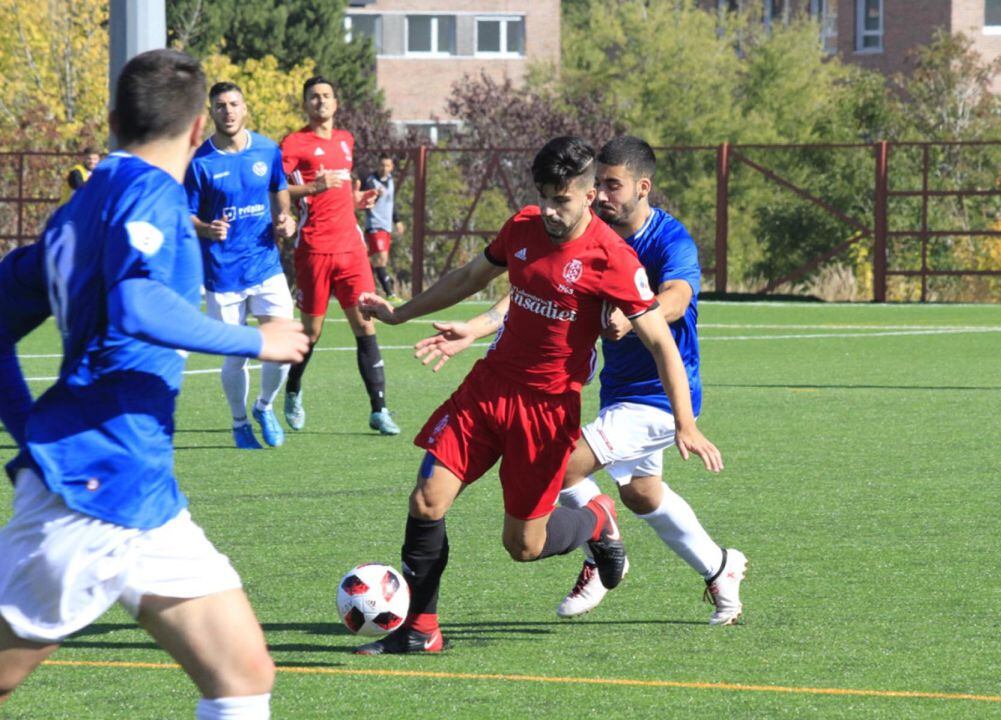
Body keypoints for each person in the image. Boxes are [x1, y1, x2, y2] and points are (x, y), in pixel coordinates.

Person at [0, 49, 309, 718]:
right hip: (92, 489)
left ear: (114, 120)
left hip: (138, 488)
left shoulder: (80, 206)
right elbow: (137, 304)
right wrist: (259, 340)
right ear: (199, 128)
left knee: (242, 674)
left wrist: (29, 429)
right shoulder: (153, 196)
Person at [353, 136, 723, 655]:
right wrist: (401, 312)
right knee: (427, 499)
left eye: (561, 199)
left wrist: (685, 423)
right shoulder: (524, 226)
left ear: (589, 196)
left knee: (523, 546)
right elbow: (471, 276)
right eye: (543, 196)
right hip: (487, 391)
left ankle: (595, 520)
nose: (549, 210)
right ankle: (421, 629)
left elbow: (662, 341)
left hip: (546, 412)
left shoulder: (613, 258)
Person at [280, 76, 399, 435]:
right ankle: (293, 389)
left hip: (351, 248)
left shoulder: (346, 140)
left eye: (326, 95)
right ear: (305, 104)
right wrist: (313, 187)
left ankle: (379, 409)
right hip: (314, 249)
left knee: (365, 323)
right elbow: (276, 188)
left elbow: (341, 191)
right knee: (311, 332)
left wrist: (356, 201)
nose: (321, 101)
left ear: (335, 103)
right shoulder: (294, 143)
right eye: (314, 97)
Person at [185, 81, 297, 449]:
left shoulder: (267, 149)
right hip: (223, 274)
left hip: (265, 264)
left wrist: (286, 218)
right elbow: (184, 215)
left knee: (282, 347)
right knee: (236, 357)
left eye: (234, 104)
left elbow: (279, 189)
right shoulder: (200, 162)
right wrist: (206, 228)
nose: (228, 111)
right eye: (220, 105)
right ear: (211, 113)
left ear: (245, 109)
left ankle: (264, 406)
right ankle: (239, 422)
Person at [362, 154, 406, 304]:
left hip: (386, 226)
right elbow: (365, 202)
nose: (384, 168)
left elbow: (391, 203)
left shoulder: (391, 180)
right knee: (380, 259)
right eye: (382, 165)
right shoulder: (371, 181)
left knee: (378, 260)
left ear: (391, 167)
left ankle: (362, 283)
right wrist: (376, 196)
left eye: (387, 165)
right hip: (375, 225)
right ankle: (389, 293)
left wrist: (397, 221)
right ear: (378, 166)